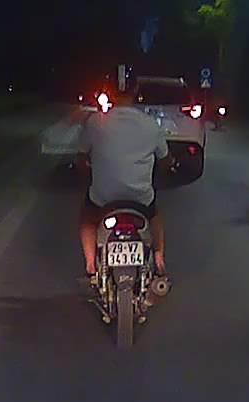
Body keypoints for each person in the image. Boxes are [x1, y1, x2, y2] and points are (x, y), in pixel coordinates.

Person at [76, 85, 178, 284]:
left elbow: (81, 158)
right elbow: (165, 160)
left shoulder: (95, 122)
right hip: (140, 199)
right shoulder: (150, 124)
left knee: (87, 218)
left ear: (112, 95)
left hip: (103, 198)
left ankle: (90, 265)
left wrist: (89, 170)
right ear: (135, 94)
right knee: (155, 216)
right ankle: (159, 258)